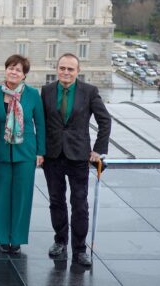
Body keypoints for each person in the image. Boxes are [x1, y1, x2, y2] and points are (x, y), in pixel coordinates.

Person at [41, 53, 111, 267]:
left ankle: (80, 249)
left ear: (77, 71)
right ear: (56, 69)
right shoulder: (46, 91)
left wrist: (98, 150)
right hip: (52, 156)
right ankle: (60, 241)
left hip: (79, 155)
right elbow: (40, 121)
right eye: (62, 68)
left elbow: (105, 120)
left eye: (70, 69)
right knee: (56, 201)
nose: (66, 72)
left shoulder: (89, 92)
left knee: (79, 204)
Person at [0, 55, 45, 254]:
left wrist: (40, 151)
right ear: (5, 70)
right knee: (1, 195)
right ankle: (3, 238)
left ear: (24, 75)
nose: (14, 72)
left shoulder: (32, 95)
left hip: (26, 152)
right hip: (0, 151)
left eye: (18, 70)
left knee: (22, 196)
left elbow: (41, 124)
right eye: (11, 68)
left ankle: (17, 238)